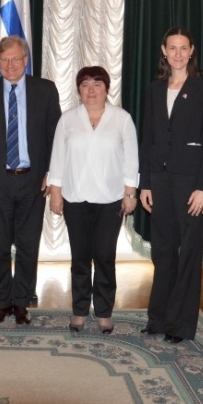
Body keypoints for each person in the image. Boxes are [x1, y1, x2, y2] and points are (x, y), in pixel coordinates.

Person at [0, 35, 61, 325]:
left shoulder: (45, 90)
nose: (10, 65)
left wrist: (53, 173)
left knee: (28, 246)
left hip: (33, 181)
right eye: (4, 60)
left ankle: (21, 302)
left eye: (15, 59)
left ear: (26, 60)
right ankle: (0, 302)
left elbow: (55, 136)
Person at [139, 27, 203, 343]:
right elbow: (148, 139)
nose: (178, 54)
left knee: (188, 255)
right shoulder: (154, 89)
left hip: (191, 184)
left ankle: (181, 326)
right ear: (164, 51)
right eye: (172, 48)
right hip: (159, 181)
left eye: (183, 48)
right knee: (163, 252)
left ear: (191, 51)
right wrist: (145, 183)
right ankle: (158, 319)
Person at [48, 66, 138, 334]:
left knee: (105, 256)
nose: (91, 90)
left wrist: (130, 193)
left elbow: (131, 159)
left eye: (97, 84)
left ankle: (104, 312)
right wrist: (55, 192)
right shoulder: (68, 119)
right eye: (85, 84)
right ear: (78, 89)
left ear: (107, 88)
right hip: (75, 198)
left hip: (111, 200)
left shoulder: (122, 119)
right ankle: (79, 310)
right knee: (80, 257)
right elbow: (57, 157)